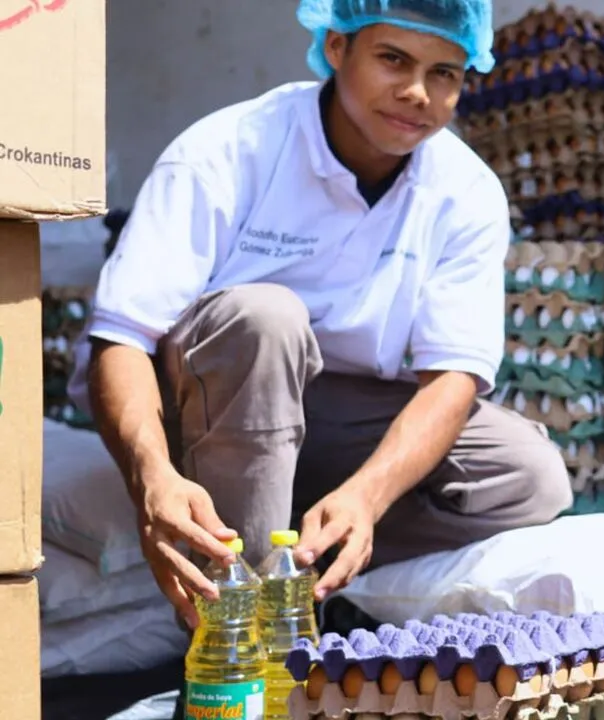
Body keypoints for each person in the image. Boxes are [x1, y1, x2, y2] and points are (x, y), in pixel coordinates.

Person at [69, 0, 572, 633]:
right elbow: (123, 335)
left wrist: (367, 497)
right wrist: (152, 479)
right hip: (203, 407)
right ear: (336, 47)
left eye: (445, 72)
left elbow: (454, 376)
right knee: (267, 319)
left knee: (527, 476)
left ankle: (311, 563)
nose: (418, 92)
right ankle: (242, 626)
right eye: (394, 59)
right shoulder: (228, 151)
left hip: (337, 414)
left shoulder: (464, 192)